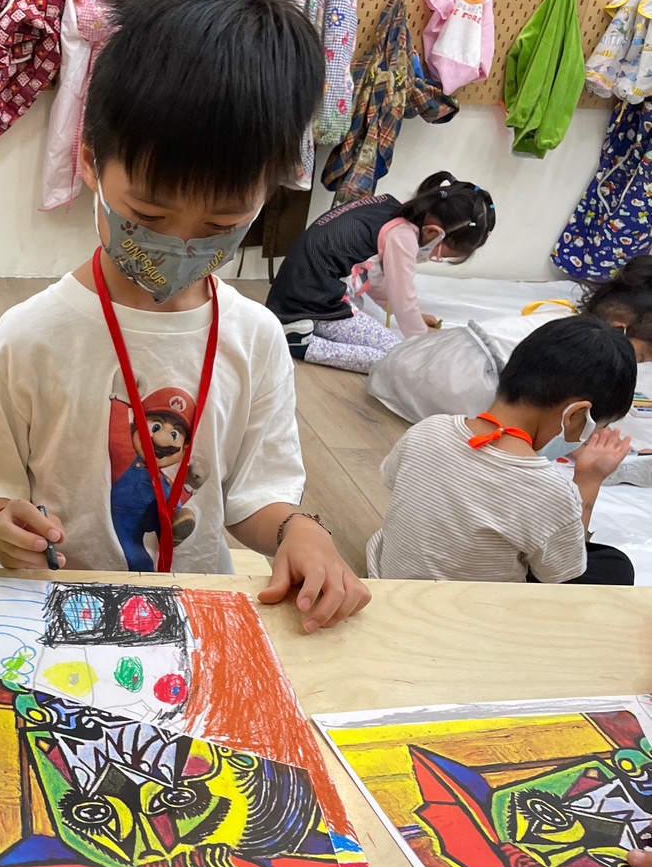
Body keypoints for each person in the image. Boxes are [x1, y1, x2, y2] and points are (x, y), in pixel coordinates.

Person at [0, 0, 370, 632]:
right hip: (55, 606)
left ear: (267, 194)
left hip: (191, 609)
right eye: (148, 215)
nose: (178, 243)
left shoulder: (255, 336)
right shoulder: (31, 334)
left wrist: (297, 530)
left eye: (220, 225)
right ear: (90, 162)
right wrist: (1, 523)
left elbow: (256, 495)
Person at [368, 317, 637, 584]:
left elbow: (394, 481)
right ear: (575, 414)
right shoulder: (548, 491)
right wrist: (588, 481)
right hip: (466, 608)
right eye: (593, 428)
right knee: (616, 566)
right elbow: (563, 576)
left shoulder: (429, 428)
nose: (586, 439)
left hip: (386, 580)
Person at [367, 254, 652, 423]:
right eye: (639, 356)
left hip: (410, 361)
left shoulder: (559, 313)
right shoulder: (588, 349)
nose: (634, 364)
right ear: (619, 328)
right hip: (452, 386)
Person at [266, 172, 497, 373]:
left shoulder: (390, 210)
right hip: (311, 302)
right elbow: (403, 298)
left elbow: (376, 278)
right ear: (434, 233)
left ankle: (301, 327)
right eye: (443, 255)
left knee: (364, 311)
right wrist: (424, 346)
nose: (437, 258)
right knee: (398, 357)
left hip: (298, 292)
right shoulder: (403, 236)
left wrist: (410, 316)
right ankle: (301, 343)